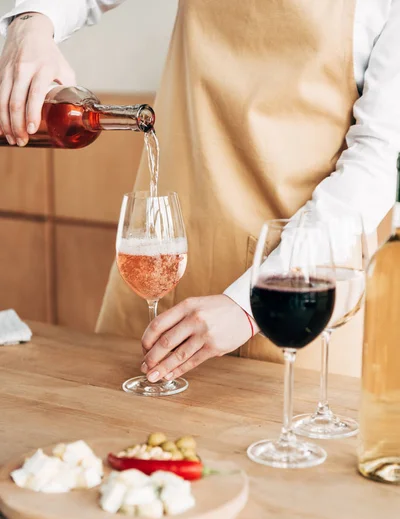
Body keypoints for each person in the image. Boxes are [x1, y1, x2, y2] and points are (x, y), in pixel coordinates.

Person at [0, 1, 398, 381]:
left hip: (296, 288)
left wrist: (250, 304)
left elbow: (375, 159)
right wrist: (33, 20)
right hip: (163, 261)